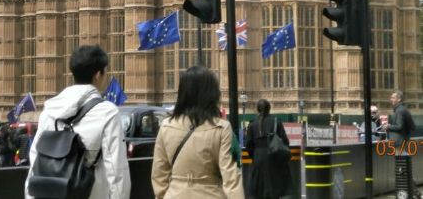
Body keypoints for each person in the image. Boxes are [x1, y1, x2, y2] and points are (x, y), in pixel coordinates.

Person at [25, 45, 130, 199]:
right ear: (97, 75)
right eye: (105, 72)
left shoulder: (49, 110)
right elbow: (116, 170)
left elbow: (36, 162)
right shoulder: (107, 112)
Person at [151, 65, 244, 199]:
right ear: (212, 93)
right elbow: (232, 178)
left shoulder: (166, 126)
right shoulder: (223, 128)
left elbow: (159, 174)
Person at [245, 99, 293, 199]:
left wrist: (255, 156)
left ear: (258, 110)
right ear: (269, 109)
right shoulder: (276, 122)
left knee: (259, 191)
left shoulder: (252, 125)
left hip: (258, 159)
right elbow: (285, 142)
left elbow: (248, 145)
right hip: (274, 158)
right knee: (274, 190)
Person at [382, 90, 421, 199]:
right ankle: (416, 193)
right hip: (405, 142)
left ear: (399, 99)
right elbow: (412, 127)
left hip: (399, 144)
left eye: (393, 98)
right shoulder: (405, 110)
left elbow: (399, 126)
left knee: (402, 170)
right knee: (405, 168)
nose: (391, 99)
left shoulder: (399, 111)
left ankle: (408, 193)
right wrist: (406, 134)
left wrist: (388, 126)